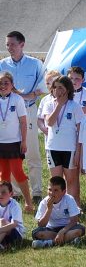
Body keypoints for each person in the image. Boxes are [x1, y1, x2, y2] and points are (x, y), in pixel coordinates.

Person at [1, 31, 46, 202]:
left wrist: (25, 96)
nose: (9, 48)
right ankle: (15, 192)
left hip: (29, 110)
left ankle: (36, 191)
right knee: (9, 150)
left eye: (12, 44)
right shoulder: (2, 64)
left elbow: (44, 87)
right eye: (7, 44)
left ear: (22, 44)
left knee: (32, 150)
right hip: (7, 112)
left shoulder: (35, 64)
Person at [42, 75, 83, 205]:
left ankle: (74, 206)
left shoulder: (75, 106)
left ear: (68, 90)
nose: (57, 91)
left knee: (71, 180)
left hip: (69, 148)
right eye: (55, 87)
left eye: (61, 87)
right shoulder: (49, 104)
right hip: (53, 147)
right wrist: (58, 105)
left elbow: (80, 131)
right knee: (56, 180)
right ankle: (57, 207)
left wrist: (78, 151)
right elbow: (49, 122)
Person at [0, 72, 33, 211]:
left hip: (14, 143)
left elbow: (23, 123)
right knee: (4, 175)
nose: (3, 86)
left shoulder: (17, 99)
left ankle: (29, 203)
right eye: (0, 83)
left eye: (6, 83)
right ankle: (6, 204)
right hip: (0, 143)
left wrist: (23, 141)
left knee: (18, 172)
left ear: (12, 85)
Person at [32, 176, 85, 248]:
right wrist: (49, 209)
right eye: (50, 190)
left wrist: (62, 232)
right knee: (37, 233)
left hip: (68, 228)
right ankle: (69, 240)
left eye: (56, 190)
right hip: (51, 229)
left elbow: (74, 221)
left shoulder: (69, 199)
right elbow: (41, 224)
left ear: (63, 192)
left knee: (78, 230)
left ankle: (50, 243)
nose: (52, 193)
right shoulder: (44, 202)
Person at [0, 180, 26, 249]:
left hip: (16, 233)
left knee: (2, 221)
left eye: (3, 192)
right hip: (3, 233)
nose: (0, 194)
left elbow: (14, 224)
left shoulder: (14, 205)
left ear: (11, 194)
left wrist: (1, 229)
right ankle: (3, 245)